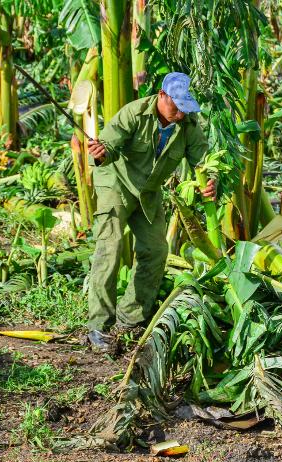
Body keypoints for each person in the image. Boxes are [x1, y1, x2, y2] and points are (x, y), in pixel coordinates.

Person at [85, 72, 216, 352]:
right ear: (161, 95)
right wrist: (100, 152)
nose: (179, 113)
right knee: (111, 245)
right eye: (175, 105)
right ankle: (99, 325)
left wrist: (210, 181)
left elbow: (203, 162)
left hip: (149, 191)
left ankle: (131, 318)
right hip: (116, 184)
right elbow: (107, 145)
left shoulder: (188, 124)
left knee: (156, 250)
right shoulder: (134, 113)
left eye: (185, 107)